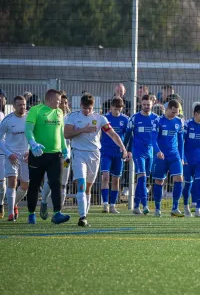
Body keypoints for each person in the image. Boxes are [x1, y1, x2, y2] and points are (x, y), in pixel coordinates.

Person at [64, 94, 128, 227]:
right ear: (80, 105)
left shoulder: (100, 118)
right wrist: (83, 130)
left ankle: (85, 215)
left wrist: (122, 147)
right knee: (81, 184)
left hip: (94, 154)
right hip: (78, 153)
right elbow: (67, 134)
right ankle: (82, 217)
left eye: (89, 108)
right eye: (84, 108)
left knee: (88, 187)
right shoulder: (73, 117)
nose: (87, 110)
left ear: (94, 107)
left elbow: (112, 134)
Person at [24, 89, 71, 224]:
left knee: (56, 184)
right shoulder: (36, 110)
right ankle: (31, 213)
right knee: (34, 185)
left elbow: (61, 133)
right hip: (38, 154)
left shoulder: (60, 112)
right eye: (58, 101)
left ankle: (57, 213)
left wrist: (64, 150)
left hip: (56, 155)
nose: (60, 103)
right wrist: (33, 144)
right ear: (49, 100)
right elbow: (28, 130)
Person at [124, 94, 158, 215]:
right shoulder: (134, 118)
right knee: (142, 177)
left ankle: (136, 205)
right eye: (144, 104)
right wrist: (126, 149)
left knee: (143, 179)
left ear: (152, 104)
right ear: (140, 104)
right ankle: (145, 205)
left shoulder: (156, 119)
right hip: (138, 152)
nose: (146, 107)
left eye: (148, 104)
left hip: (150, 152)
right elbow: (127, 135)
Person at [152, 100, 185, 217]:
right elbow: (153, 139)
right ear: (168, 109)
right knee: (159, 181)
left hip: (174, 155)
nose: (174, 115)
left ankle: (175, 208)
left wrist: (182, 156)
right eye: (173, 112)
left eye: (176, 113)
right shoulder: (158, 121)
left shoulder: (179, 122)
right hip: (161, 156)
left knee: (179, 179)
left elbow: (181, 141)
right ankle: (157, 208)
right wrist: (158, 151)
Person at [0, 96, 29, 221]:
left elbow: (35, 136)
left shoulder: (29, 119)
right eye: (19, 105)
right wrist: (8, 153)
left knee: (25, 186)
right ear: (13, 106)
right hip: (11, 155)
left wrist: (30, 151)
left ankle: (14, 204)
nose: (22, 107)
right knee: (12, 182)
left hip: (26, 155)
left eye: (24, 104)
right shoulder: (7, 120)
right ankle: (11, 213)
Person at [99, 97, 130, 213]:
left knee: (116, 179)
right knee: (105, 176)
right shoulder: (105, 119)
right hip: (106, 152)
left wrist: (127, 150)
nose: (117, 112)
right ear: (111, 107)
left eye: (119, 109)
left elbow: (128, 136)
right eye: (115, 109)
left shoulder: (125, 119)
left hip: (118, 153)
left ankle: (112, 205)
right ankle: (105, 204)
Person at [0, 89, 6, 218]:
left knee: (2, 183)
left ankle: (1, 205)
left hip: (2, 153)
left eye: (2, 97)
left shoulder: (3, 115)